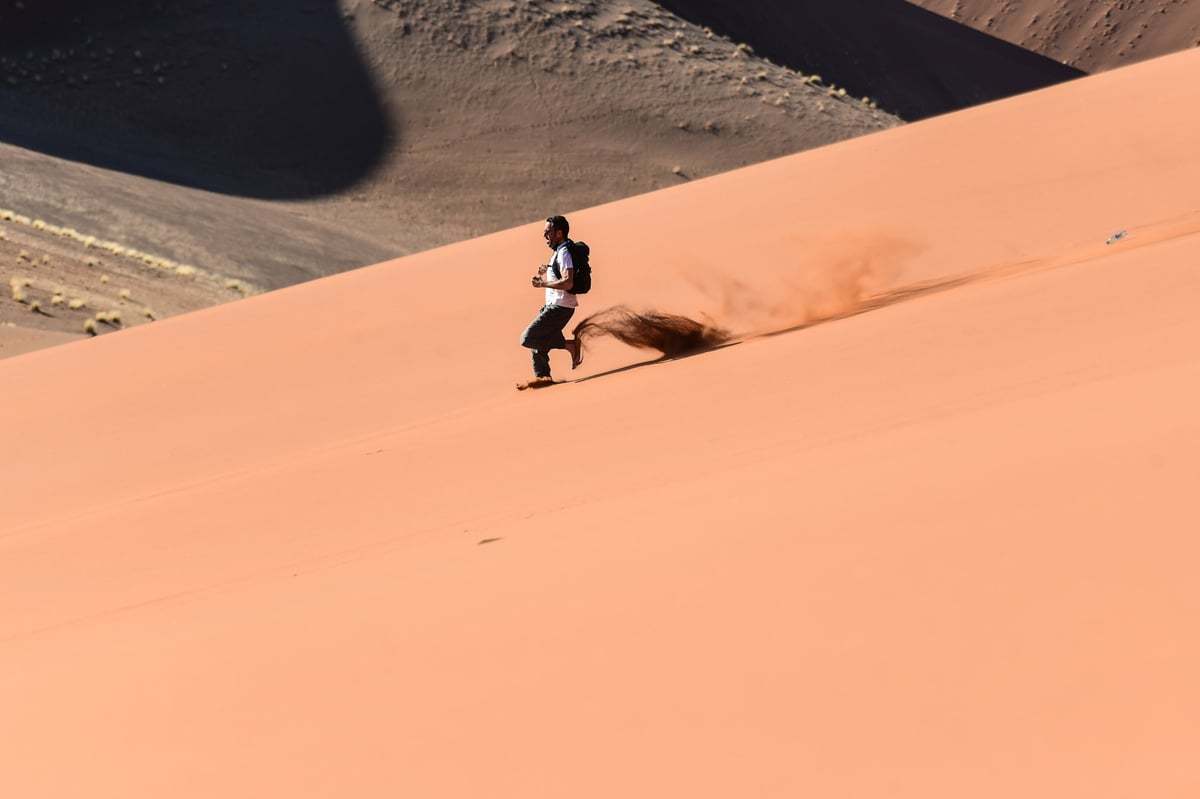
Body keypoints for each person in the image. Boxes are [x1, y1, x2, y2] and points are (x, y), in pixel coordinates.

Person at [519, 214, 583, 384]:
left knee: (528, 338)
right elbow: (559, 273)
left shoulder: (564, 253)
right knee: (536, 345)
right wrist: (546, 269)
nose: (545, 235)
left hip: (560, 308)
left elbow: (568, 282)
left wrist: (543, 284)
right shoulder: (558, 252)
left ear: (559, 233)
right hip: (554, 306)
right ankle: (543, 378)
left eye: (548, 231)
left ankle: (570, 346)